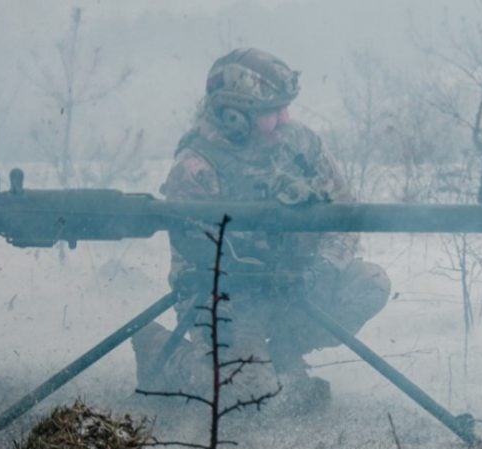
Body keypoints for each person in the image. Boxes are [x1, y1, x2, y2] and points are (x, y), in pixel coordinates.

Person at [131, 48, 390, 413]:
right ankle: (164, 356)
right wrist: (262, 271)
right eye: (272, 111)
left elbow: (342, 216)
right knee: (249, 396)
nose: (285, 118)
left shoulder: (301, 144)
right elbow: (202, 259)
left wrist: (324, 267)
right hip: (226, 299)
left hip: (294, 284)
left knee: (370, 283)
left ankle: (282, 357)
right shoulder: (195, 167)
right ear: (234, 117)